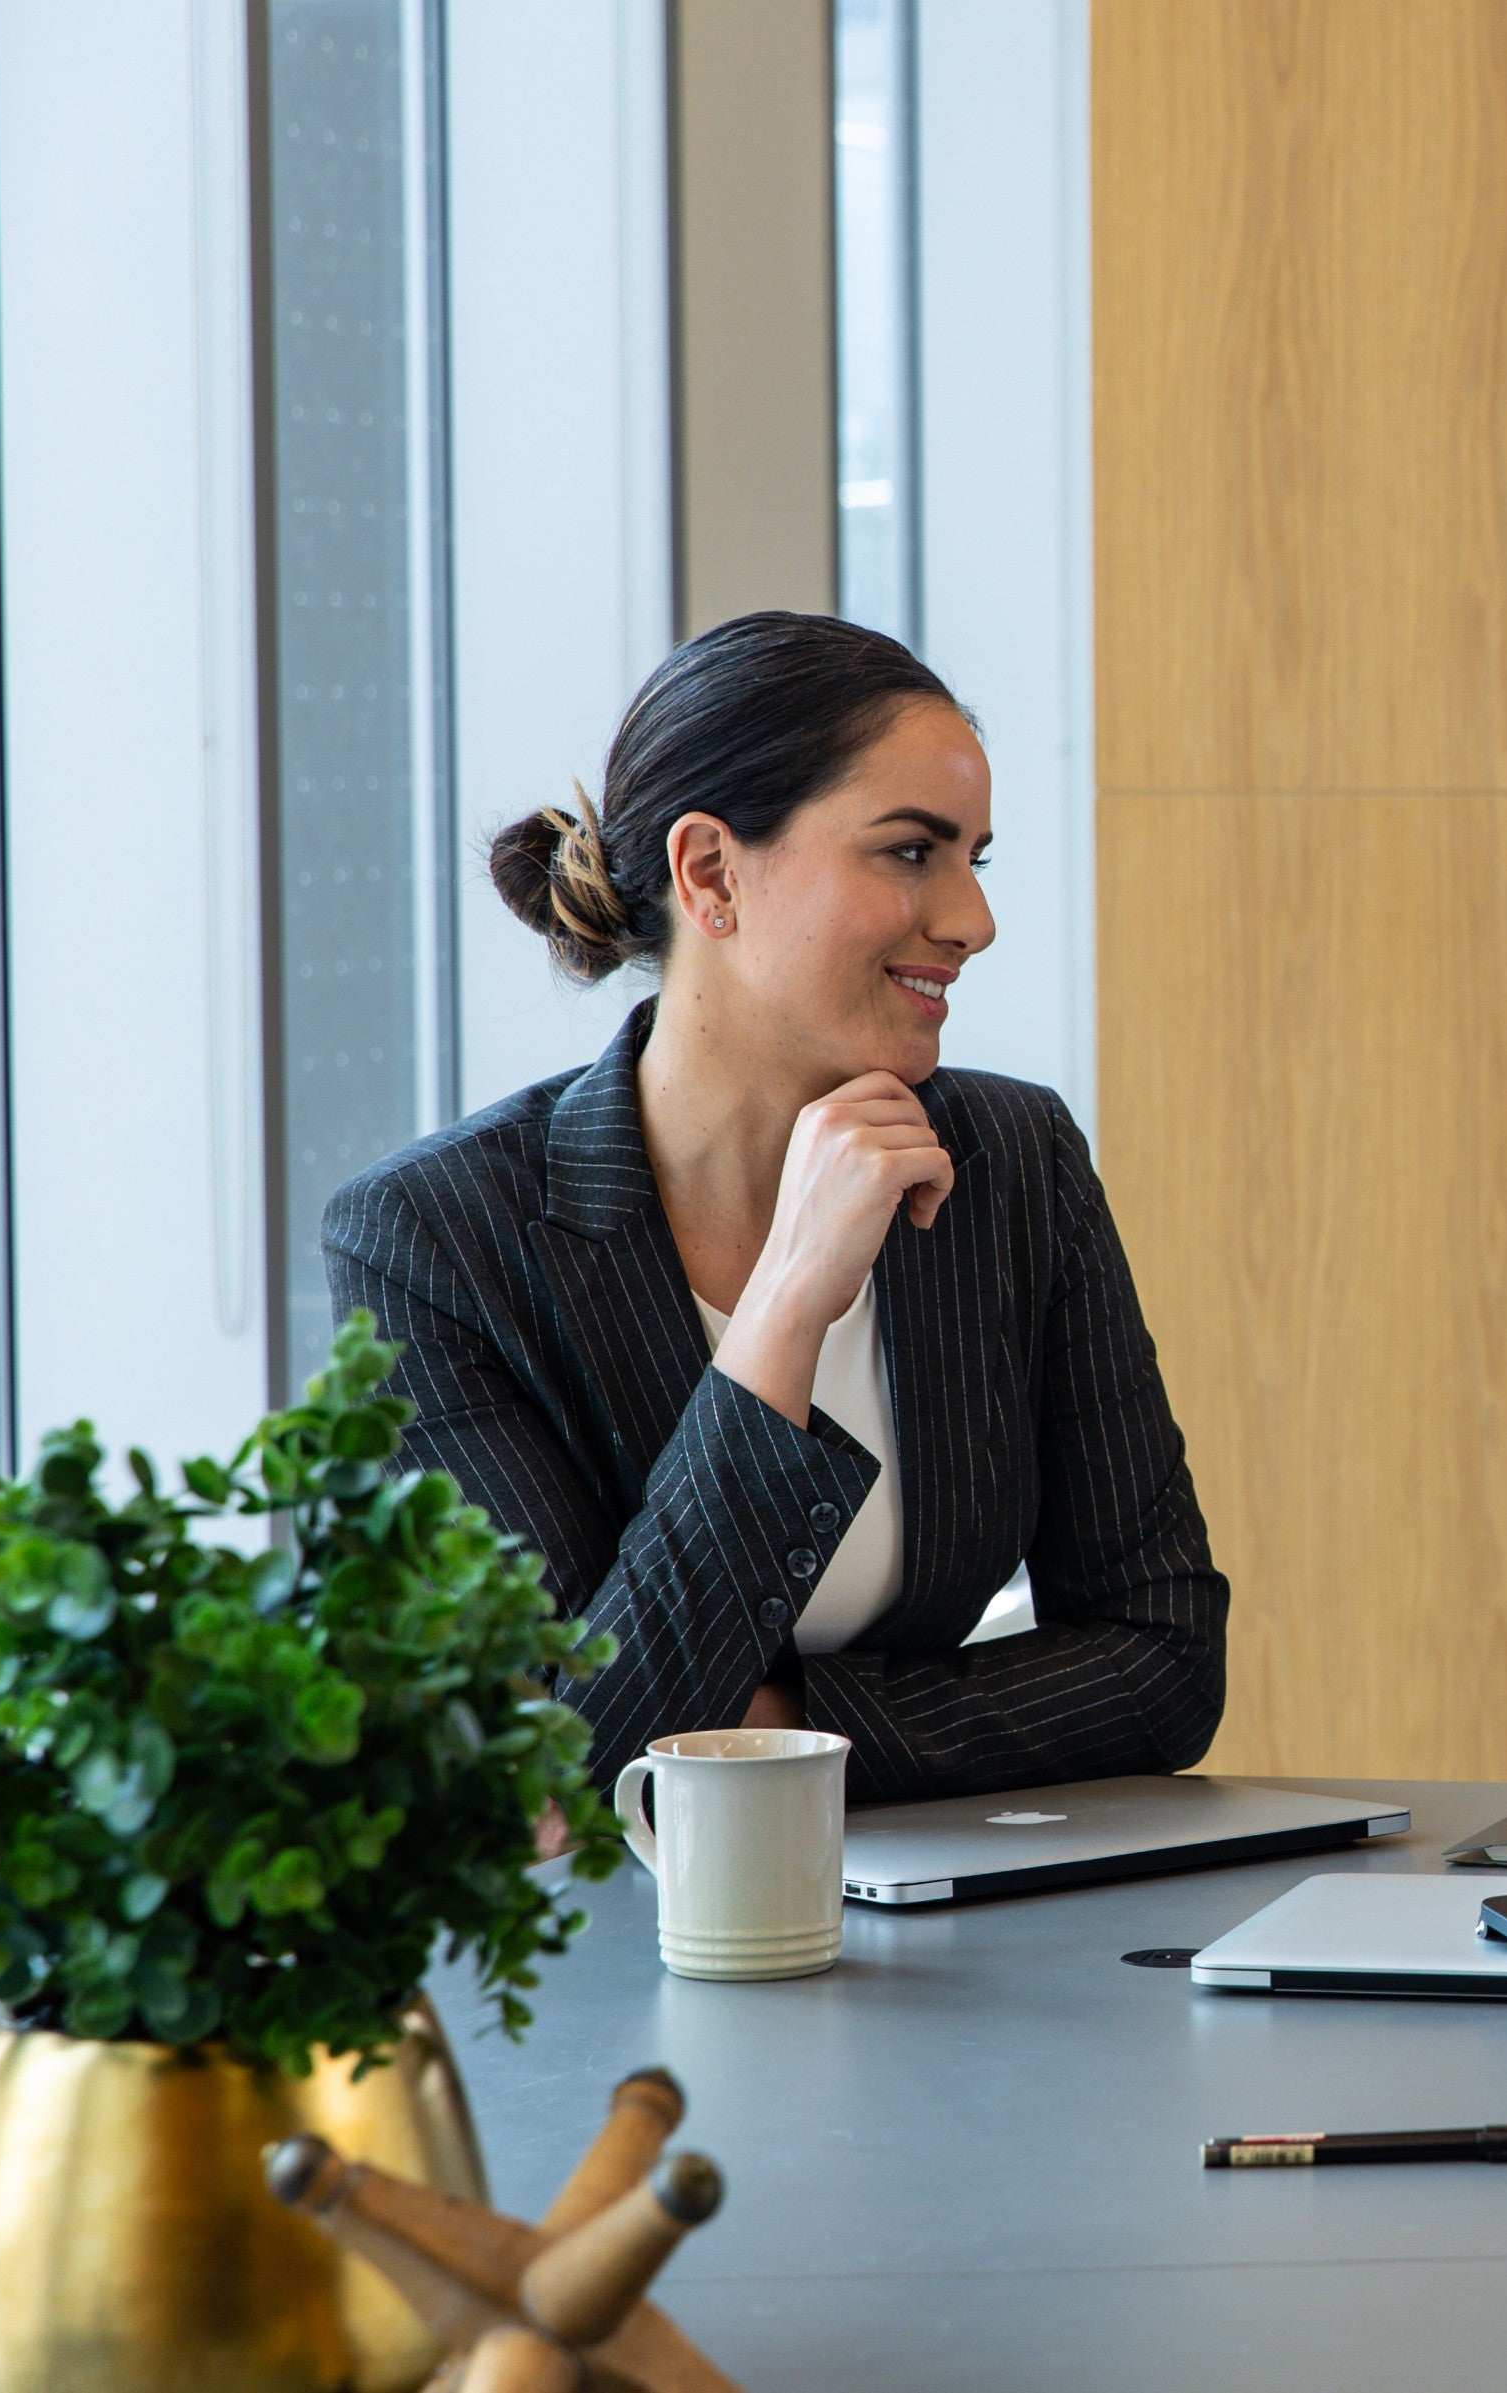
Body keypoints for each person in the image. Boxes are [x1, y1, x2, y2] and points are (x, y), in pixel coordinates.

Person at [323, 611, 1227, 1803]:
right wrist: (789, 1300)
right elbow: (562, 1772)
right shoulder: (432, 1240)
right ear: (711, 874)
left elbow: (1162, 1661)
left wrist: (776, 1737)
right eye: (911, 852)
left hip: (958, 1935)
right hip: (610, 1966)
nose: (972, 920)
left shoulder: (1012, 1160)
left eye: (976, 859)